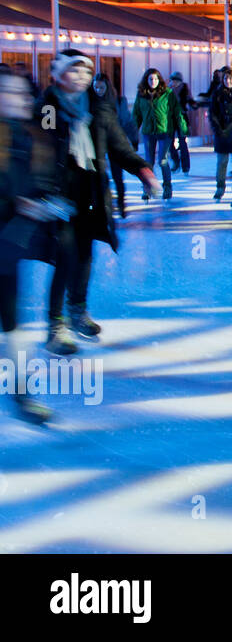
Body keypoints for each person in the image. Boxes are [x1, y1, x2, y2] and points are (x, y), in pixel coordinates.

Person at [40, 51, 159, 353]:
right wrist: (44, 192)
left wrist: (143, 169)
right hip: (59, 194)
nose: (81, 77)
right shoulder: (48, 107)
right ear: (58, 75)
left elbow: (119, 146)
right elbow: (40, 150)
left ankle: (77, 309)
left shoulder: (98, 108)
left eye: (86, 72)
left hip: (91, 193)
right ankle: (55, 326)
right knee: (65, 256)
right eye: (74, 71)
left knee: (84, 256)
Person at [0, 70, 60, 421]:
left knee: (14, 322)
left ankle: (23, 392)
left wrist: (42, 203)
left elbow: (37, 184)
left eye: (21, 93)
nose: (18, 99)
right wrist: (19, 204)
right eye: (8, 92)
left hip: (8, 248)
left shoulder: (29, 138)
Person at [132, 68, 185, 203]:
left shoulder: (168, 94)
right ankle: (148, 188)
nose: (153, 81)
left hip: (165, 132)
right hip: (148, 132)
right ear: (146, 80)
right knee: (148, 162)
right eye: (150, 79)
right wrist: (132, 132)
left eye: (155, 79)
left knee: (162, 160)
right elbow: (137, 114)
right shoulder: (141, 94)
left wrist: (182, 128)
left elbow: (177, 112)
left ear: (159, 80)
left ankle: (167, 186)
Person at [93, 73, 135, 219]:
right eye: (96, 87)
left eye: (101, 87)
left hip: (115, 142)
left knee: (117, 176)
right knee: (98, 175)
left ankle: (122, 204)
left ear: (107, 87)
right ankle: (102, 206)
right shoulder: (90, 102)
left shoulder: (118, 101)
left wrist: (134, 138)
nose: (98, 91)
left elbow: (126, 121)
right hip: (97, 143)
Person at [208, 68, 232, 201]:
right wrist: (218, 129)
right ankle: (220, 187)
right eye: (226, 78)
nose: (228, 81)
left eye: (231, 78)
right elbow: (213, 113)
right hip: (221, 132)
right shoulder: (217, 93)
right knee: (222, 162)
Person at [167, 71, 196, 175]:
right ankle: (176, 161)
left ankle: (186, 167)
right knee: (169, 142)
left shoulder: (185, 88)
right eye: (172, 80)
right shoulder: (168, 89)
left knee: (183, 143)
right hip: (170, 118)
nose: (174, 82)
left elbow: (190, 100)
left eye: (176, 81)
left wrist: (194, 105)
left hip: (182, 118)